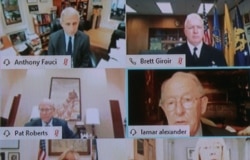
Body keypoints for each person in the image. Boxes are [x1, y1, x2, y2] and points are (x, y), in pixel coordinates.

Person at [159, 72, 235, 136]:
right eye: (171, 103)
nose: (179, 111)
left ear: (202, 105)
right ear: (163, 109)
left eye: (187, 100)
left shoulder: (227, 137)